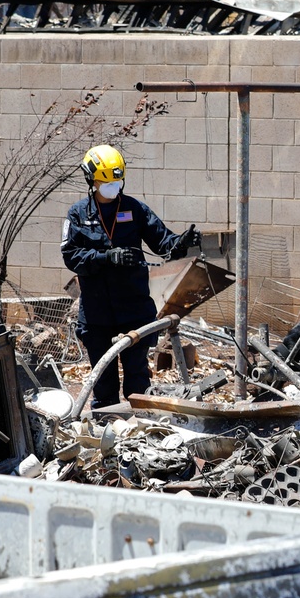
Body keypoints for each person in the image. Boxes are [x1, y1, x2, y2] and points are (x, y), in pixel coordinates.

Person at [61, 144, 202, 410]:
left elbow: (163, 243)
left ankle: (140, 434)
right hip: (97, 314)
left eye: (117, 181)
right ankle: (107, 431)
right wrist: (106, 257)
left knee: (138, 382)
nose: (113, 187)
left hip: (133, 311)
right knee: (103, 385)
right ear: (91, 180)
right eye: (107, 182)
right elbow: (71, 256)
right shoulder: (78, 214)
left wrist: (182, 242)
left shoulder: (134, 209)